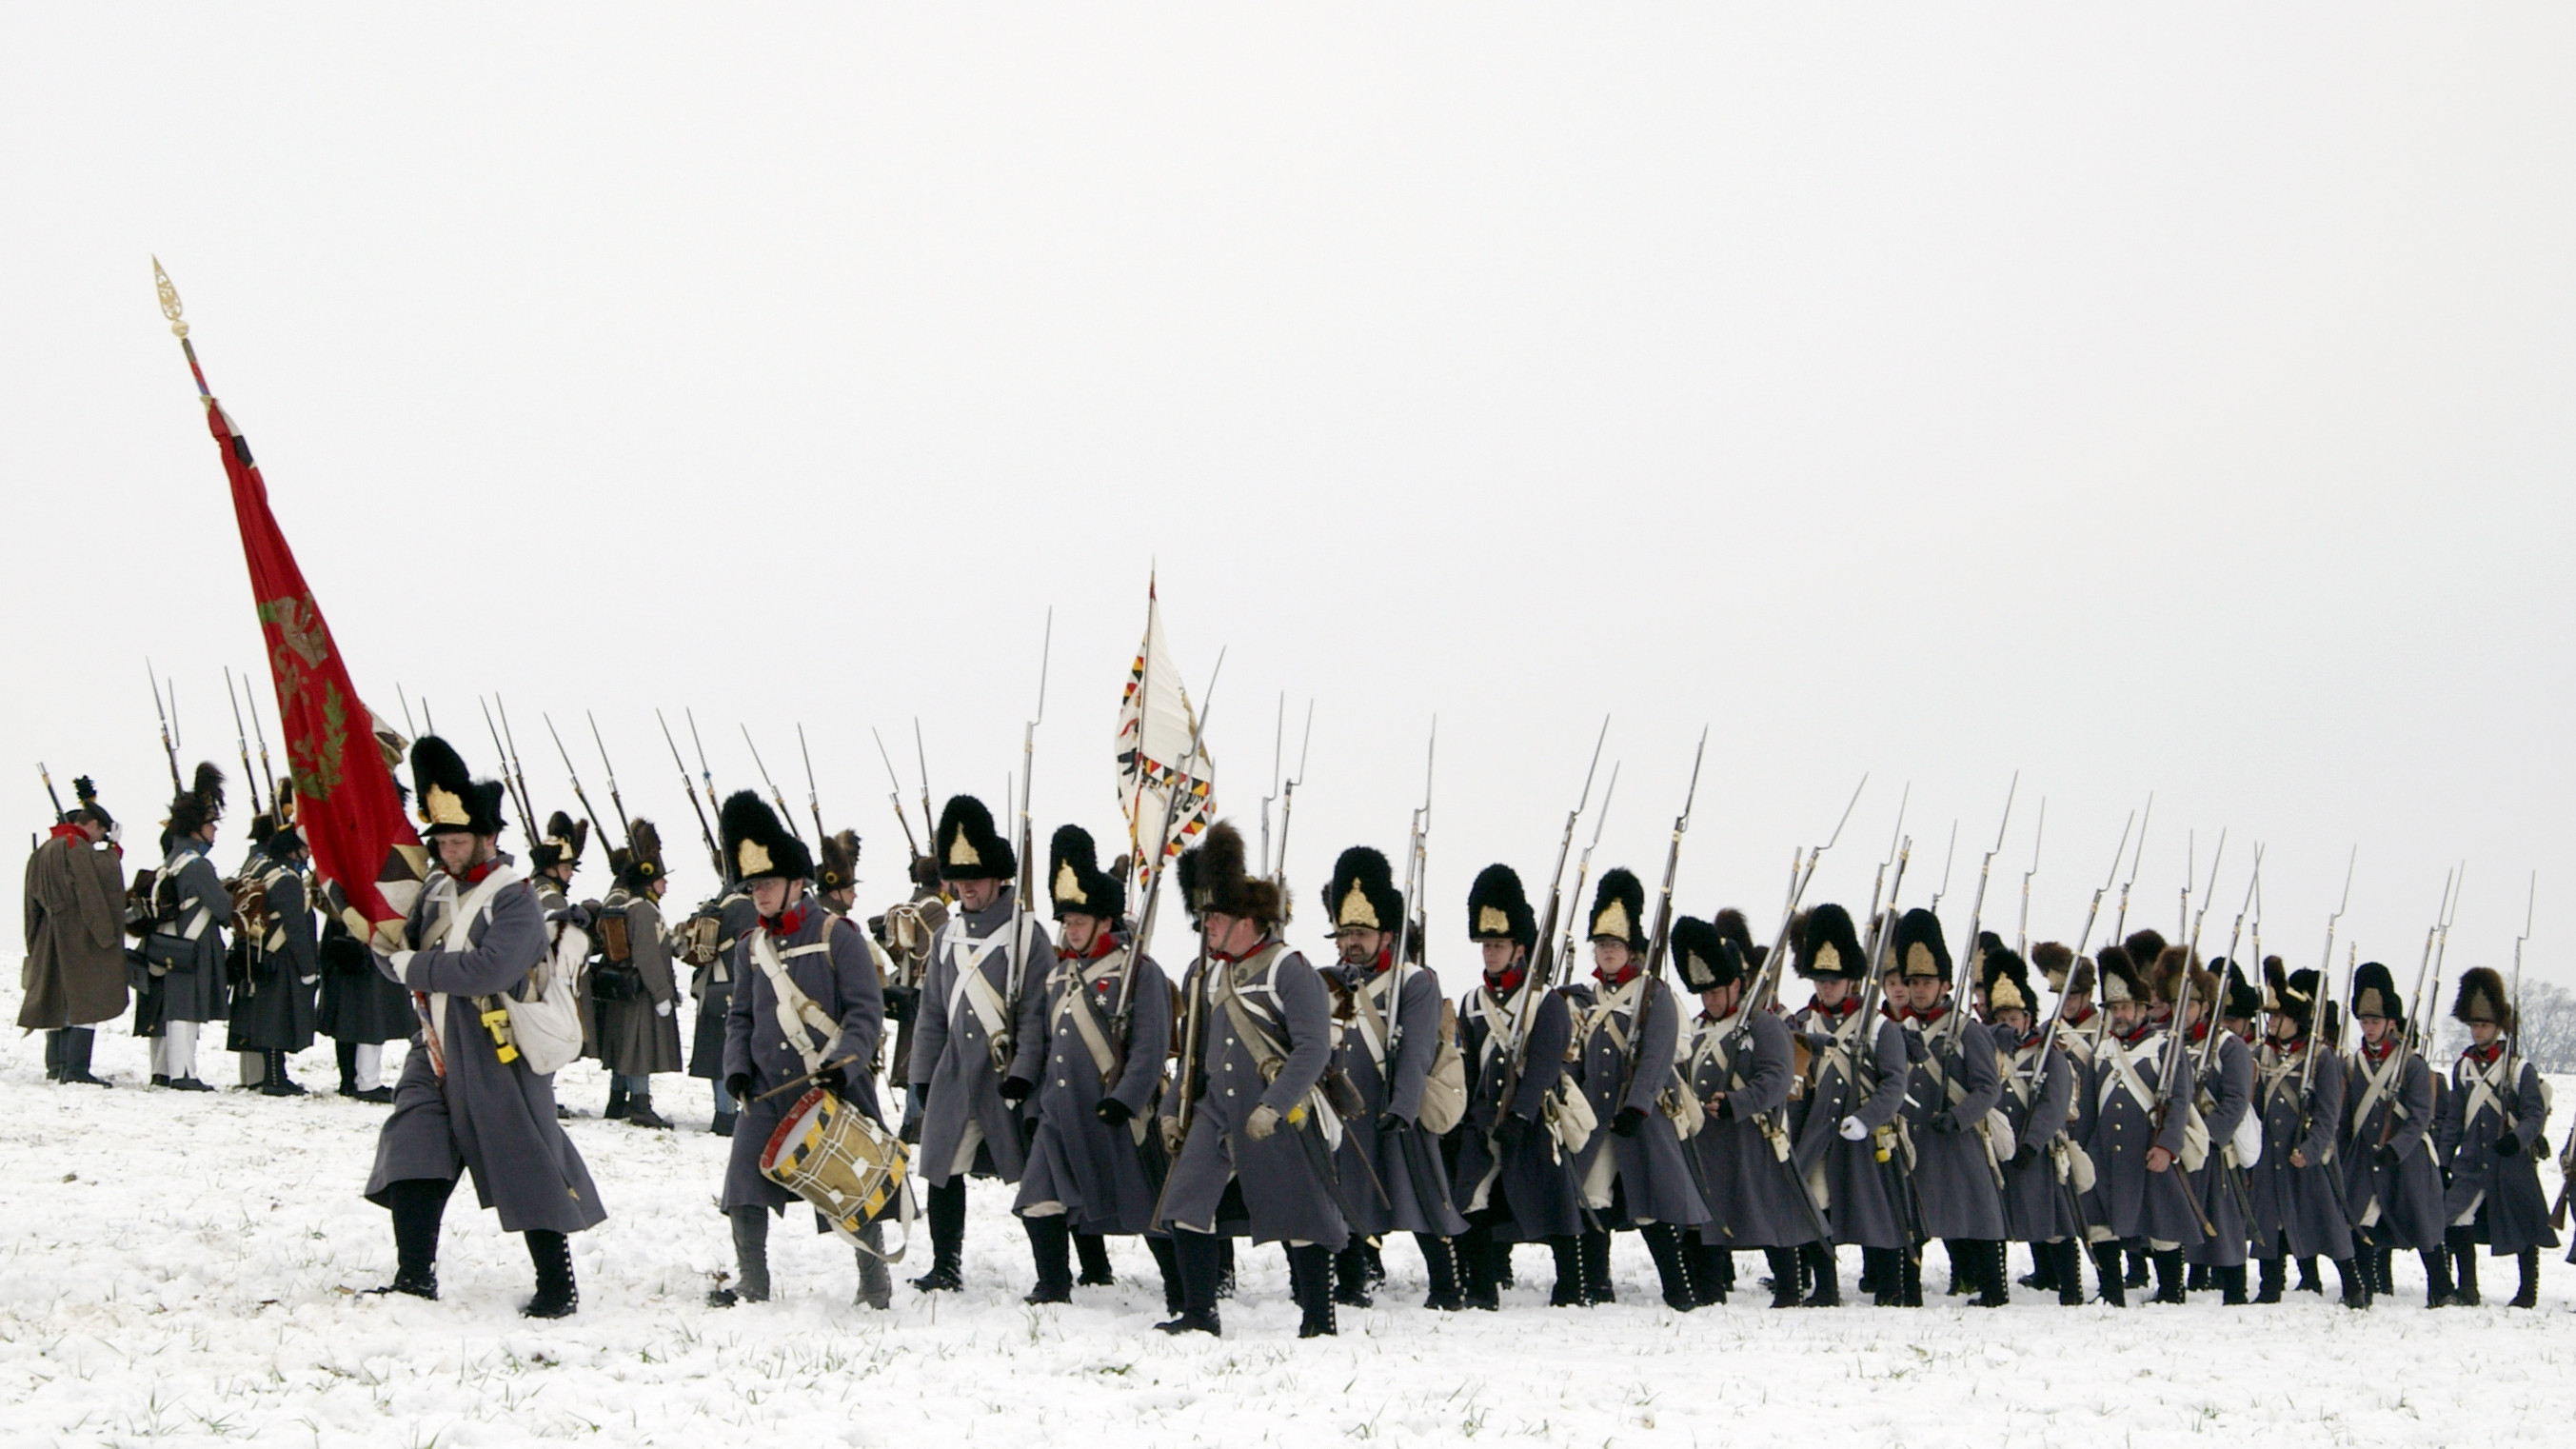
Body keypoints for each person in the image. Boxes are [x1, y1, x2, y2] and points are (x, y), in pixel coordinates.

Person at [362, 736, 604, 1317]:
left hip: (498, 1050)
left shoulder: (515, 898)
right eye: (442, 842)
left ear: (488, 838)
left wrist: (413, 966)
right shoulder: (433, 890)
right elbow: (394, 954)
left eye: (457, 841)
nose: (447, 851)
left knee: (527, 1162)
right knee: (414, 1147)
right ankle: (414, 1276)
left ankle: (557, 1287)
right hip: (435, 1043)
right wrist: (381, 943)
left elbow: (490, 969)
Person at [1154, 822, 1348, 1338]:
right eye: (1204, 917)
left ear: (1247, 920)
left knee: (1305, 1215)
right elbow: (1193, 1054)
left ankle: (1318, 1318)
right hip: (1217, 1110)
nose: (1207, 926)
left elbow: (1313, 1049)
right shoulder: (1206, 975)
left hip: (1281, 1112)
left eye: (1215, 917)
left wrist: (1274, 1105)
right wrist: (1171, 1110)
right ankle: (1200, 1314)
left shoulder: (1289, 968)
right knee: (1186, 1203)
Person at [711, 792, 892, 1309]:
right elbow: (741, 1019)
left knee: (852, 1188)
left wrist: (843, 1065)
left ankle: (874, 1283)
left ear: (796, 883)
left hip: (832, 1085)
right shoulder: (752, 947)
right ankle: (752, 1283)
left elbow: (865, 1014)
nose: (758, 894)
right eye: (752, 886)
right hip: (767, 1090)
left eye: (766, 884)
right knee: (742, 1187)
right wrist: (737, 1071)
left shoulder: (839, 935)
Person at [1012, 824, 1175, 1306]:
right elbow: (1043, 1043)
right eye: (1067, 920)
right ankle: (1053, 1285)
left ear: (1105, 921)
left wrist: (1125, 1100)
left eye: (1080, 920)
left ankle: (1182, 1285)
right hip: (1060, 1113)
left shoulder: (1139, 972)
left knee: (1148, 1205)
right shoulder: (1058, 975)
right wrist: (1030, 1096)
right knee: (1038, 1196)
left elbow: (1150, 1049)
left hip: (1115, 1112)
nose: (1071, 929)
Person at [1315, 845, 1471, 1310]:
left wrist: (1402, 1108)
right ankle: (1352, 1284)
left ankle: (1447, 1286)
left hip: (1397, 1107)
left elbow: (1418, 1051)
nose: (1351, 943)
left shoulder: (1415, 982)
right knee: (1346, 1197)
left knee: (1425, 1198)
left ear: (1387, 935)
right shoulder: (1332, 980)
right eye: (1345, 934)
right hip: (1347, 1108)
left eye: (1360, 934)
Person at [907, 795, 1053, 1292]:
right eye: (958, 878)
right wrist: (922, 1076)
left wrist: (1024, 1073)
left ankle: (1055, 1274)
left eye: (976, 877)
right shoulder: (946, 937)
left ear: (998, 877)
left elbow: (1035, 1014)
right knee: (942, 1172)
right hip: (955, 1075)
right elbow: (932, 1014)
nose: (966, 886)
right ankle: (945, 1266)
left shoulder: (1027, 936)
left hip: (1008, 1076)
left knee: (1036, 1178)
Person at [1558, 868, 1709, 1310]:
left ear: (1631, 949)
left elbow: (1657, 1057)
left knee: (1651, 1205)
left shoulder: (1653, 995)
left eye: (1615, 944)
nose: (1607, 951)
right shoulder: (1585, 998)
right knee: (1592, 1196)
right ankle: (1596, 1285)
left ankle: (1678, 1289)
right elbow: (1577, 1057)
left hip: (1642, 1116)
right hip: (1597, 1116)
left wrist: (1638, 1106)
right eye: (1601, 944)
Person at [1447, 863, 1585, 1310]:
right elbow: (1468, 1065)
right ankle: (1481, 1288)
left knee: (1554, 1202)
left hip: (1533, 1119)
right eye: (1486, 945)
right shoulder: (1473, 1002)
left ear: (1519, 948)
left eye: (1499, 945)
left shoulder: (1546, 1003)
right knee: (1473, 1198)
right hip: (1484, 1118)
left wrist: (1522, 1115)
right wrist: (1464, 1115)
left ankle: (1571, 1285)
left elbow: (1544, 1066)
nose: (1490, 953)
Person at [1679, 909, 1822, 1309]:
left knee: (1771, 1215)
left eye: (1716, 991)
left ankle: (1790, 1288)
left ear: (1736, 986)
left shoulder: (1763, 1024)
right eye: (1704, 993)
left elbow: (1777, 1079)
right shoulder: (1698, 1028)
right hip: (1708, 1139)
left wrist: (1737, 1103)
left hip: (1753, 1136)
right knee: (1706, 1218)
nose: (1710, 999)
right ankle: (1710, 1290)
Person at [1784, 903, 1911, 1306]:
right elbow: (1798, 1086)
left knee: (1877, 1211)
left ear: (1851, 980)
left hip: (1866, 1134)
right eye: (1820, 981)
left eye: (1833, 981)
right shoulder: (1804, 1025)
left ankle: (1890, 1287)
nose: (1826, 988)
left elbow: (1895, 1083)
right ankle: (1826, 1288)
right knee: (1814, 1203)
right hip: (1819, 1133)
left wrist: (1867, 1119)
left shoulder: (1879, 1026)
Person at [1892, 913, 2010, 1307]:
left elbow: (1988, 1088)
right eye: (1913, 982)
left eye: (1926, 982)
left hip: (1958, 1138)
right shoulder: (1900, 1030)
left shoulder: (1967, 1031)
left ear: (1945, 985)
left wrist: (1958, 1118)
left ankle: (1994, 1291)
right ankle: (1908, 1293)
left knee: (1978, 1214)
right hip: (1915, 1139)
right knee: (1912, 1217)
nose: (1918, 989)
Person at [2082, 943, 2203, 1306]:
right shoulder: (2101, 1052)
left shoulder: (2165, 1047)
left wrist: (2167, 1146)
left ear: (2142, 1008)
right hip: (2105, 1155)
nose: (2118, 1015)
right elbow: (2088, 1110)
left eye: (2124, 1007)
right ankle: (2111, 1292)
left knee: (2163, 1223)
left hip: (2148, 1151)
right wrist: (2082, 1153)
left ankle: (2171, 1291)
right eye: (2113, 1008)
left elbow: (2180, 1102)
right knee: (2100, 1224)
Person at [2435, 965, 2555, 1308]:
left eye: (2484, 1025)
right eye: (2474, 1025)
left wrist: (2517, 1139)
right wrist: (2443, 1161)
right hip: (2472, 1161)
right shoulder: (2463, 1068)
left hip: (2510, 1160)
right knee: (2455, 1218)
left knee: (2524, 1223)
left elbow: (2534, 1114)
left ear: (2498, 1027)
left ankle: (2527, 1292)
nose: (2478, 1031)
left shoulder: (2518, 1068)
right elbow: (2454, 1120)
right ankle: (2467, 1289)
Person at [2249, 958, 2364, 1307]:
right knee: (2269, 1221)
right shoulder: (2261, 1054)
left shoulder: (2321, 1058)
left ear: (2295, 1019)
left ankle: (2353, 1287)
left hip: (2306, 1155)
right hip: (2270, 1154)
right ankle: (2270, 1287)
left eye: (2277, 1016)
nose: (2271, 1022)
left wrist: (2311, 1150)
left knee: (2328, 1221)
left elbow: (2329, 1114)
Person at [2342, 961, 2456, 1306]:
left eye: (2375, 1021)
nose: (2369, 1028)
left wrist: (2396, 1148)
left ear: (2391, 1022)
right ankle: (2363, 1291)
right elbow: (2347, 1116)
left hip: (2407, 1158)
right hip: (2366, 1156)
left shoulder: (2413, 1065)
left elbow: (2420, 1117)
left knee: (2422, 1224)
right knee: (2361, 1220)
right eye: (2364, 1021)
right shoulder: (2354, 1064)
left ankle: (2441, 1289)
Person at [23, 774, 127, 1086]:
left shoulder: (43, 850)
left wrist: (33, 940)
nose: (99, 840)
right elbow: (92, 890)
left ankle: (57, 1064)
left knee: (57, 996)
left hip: (48, 933)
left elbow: (30, 903)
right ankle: (76, 1068)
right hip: (79, 932)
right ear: (92, 824)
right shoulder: (74, 846)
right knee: (86, 997)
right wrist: (105, 935)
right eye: (101, 833)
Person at [136, 764, 229, 1091]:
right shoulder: (197, 865)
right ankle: (183, 1073)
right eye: (210, 825)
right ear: (195, 829)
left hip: (168, 944)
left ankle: (163, 1070)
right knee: (184, 1012)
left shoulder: (172, 860)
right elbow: (224, 909)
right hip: (191, 946)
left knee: (170, 1010)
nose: (214, 831)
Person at [2181, 958, 2259, 1304]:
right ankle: (2194, 1279)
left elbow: (2236, 1101)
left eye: (2191, 1005)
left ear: (2205, 1007)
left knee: (2224, 1219)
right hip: (2184, 1140)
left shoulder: (2230, 1046)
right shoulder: (2176, 1044)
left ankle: (2235, 1289)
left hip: (2214, 1144)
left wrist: (2207, 1137)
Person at [597, 822, 683, 1129]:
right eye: (661, 879)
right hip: (643, 991)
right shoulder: (643, 911)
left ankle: (617, 1101)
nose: (665, 883)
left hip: (631, 988)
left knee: (628, 1048)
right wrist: (662, 994)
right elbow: (648, 957)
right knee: (639, 1051)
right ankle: (640, 1106)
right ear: (648, 882)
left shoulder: (637, 907)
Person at [228, 819, 320, 1095]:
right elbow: (296, 929)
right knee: (276, 1021)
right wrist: (308, 968)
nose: (308, 853)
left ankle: (270, 1076)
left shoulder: (263, 869)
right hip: (281, 957)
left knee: (266, 1016)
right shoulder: (287, 880)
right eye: (304, 848)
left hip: (263, 954)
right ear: (292, 850)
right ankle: (275, 1078)